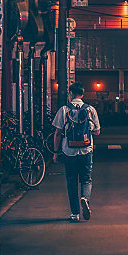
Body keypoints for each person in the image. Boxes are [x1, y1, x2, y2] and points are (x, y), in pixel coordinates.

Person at [53, 83, 101, 222]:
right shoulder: (90, 109)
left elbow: (57, 133)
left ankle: (75, 214)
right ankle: (85, 198)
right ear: (83, 94)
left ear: (71, 94)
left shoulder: (64, 110)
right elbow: (97, 131)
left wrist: (56, 152)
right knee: (86, 179)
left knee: (71, 181)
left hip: (69, 151)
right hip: (86, 150)